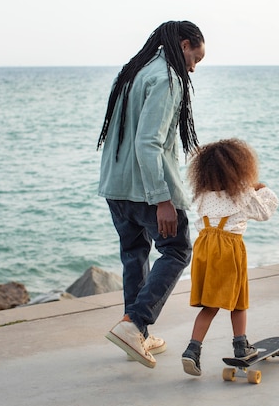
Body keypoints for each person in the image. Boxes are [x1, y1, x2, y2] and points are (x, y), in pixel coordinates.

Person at [97, 20, 205, 368]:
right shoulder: (168, 78)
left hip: (116, 186)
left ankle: (134, 335)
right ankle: (136, 323)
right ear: (184, 43)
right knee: (176, 250)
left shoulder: (130, 72)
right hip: (147, 190)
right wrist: (163, 199)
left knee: (134, 254)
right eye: (195, 58)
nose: (192, 67)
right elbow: (148, 143)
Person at [181, 138, 279, 376]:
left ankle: (192, 350)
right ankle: (240, 346)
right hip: (228, 250)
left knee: (210, 305)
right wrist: (260, 186)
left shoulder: (203, 196)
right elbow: (266, 210)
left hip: (204, 248)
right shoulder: (242, 195)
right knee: (238, 301)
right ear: (239, 169)